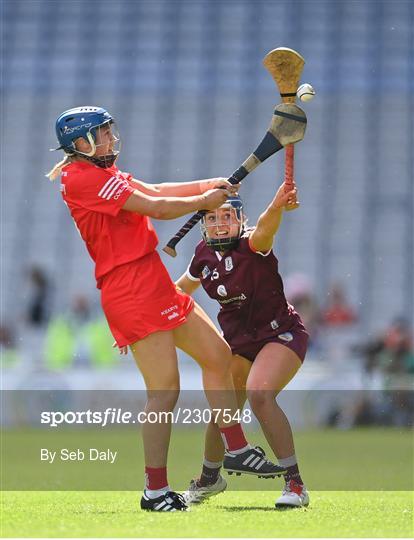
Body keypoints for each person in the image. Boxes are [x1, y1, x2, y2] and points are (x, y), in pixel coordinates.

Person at [46, 106, 294, 511]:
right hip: (129, 288)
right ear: (80, 144)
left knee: (218, 356)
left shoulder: (103, 172)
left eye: (110, 133)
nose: (111, 140)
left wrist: (209, 185)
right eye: (103, 135)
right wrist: (203, 199)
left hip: (152, 279)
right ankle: (155, 491)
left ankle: (234, 446)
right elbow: (155, 208)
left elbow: (158, 189)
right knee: (165, 393)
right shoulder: (81, 177)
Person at [176, 186, 310, 508]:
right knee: (222, 410)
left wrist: (276, 204)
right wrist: (136, 314)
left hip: (281, 335)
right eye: (212, 217)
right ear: (202, 223)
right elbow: (180, 289)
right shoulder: (202, 255)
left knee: (260, 394)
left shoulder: (253, 243)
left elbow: (266, 227)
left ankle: (295, 484)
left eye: (227, 216)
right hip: (240, 344)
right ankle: (209, 479)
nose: (220, 223)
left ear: (240, 219)